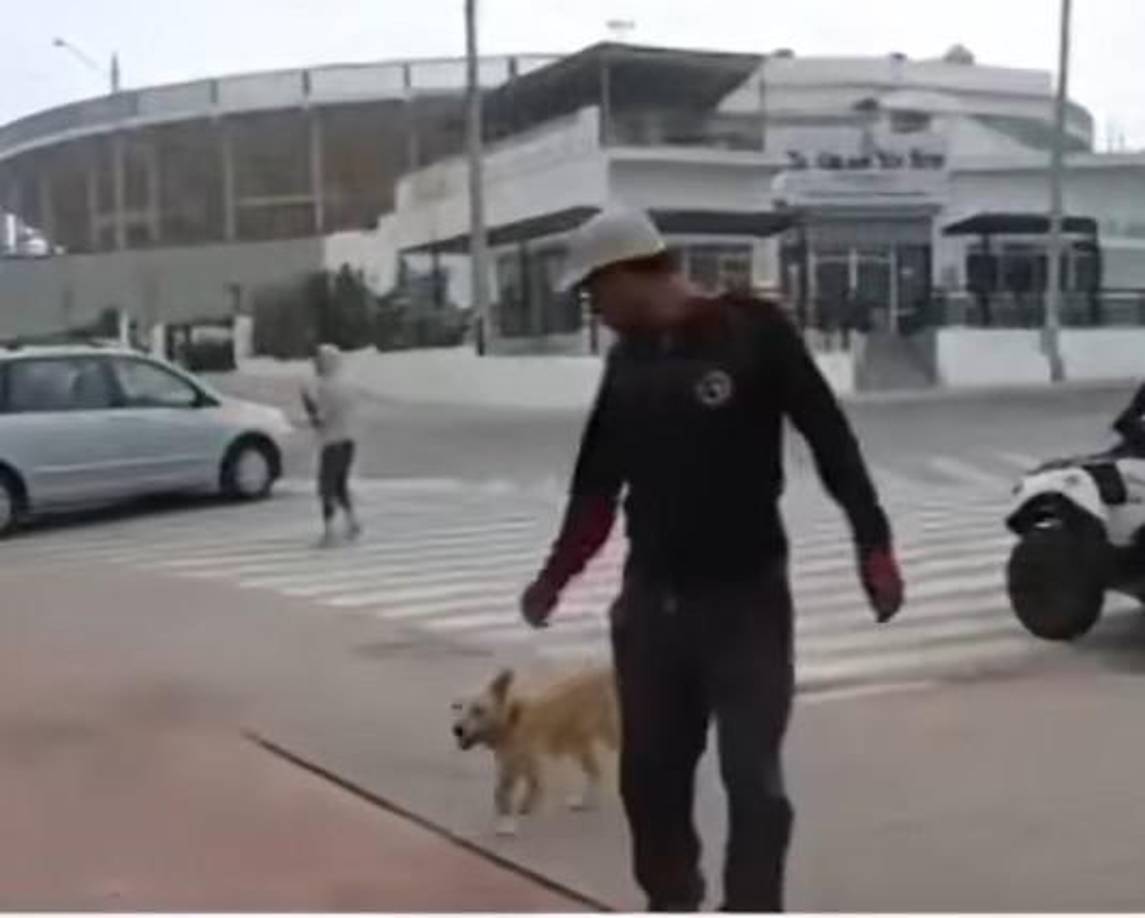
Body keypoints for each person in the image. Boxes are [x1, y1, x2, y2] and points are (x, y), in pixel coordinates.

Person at [518, 209, 904, 912]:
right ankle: (673, 899)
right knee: (648, 783)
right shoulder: (627, 363)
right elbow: (596, 485)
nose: (594, 309)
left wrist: (872, 544)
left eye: (594, 291)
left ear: (631, 272)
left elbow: (829, 439)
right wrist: (554, 577)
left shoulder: (754, 334)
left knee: (752, 780)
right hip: (652, 609)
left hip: (746, 604)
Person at [302, 343, 362, 548]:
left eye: (318, 361)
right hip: (349, 440)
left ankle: (329, 531)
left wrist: (308, 405)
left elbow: (320, 419)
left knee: (326, 488)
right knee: (341, 485)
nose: (315, 365)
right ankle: (352, 522)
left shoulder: (326, 387)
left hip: (331, 443)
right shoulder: (348, 383)